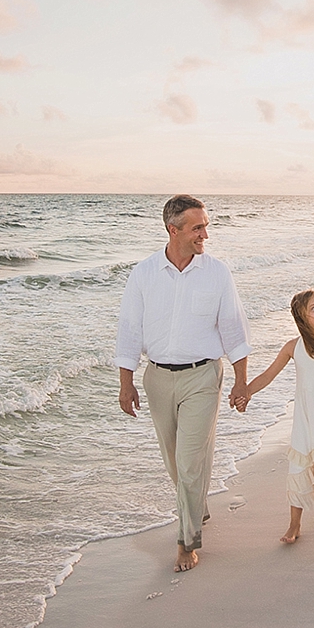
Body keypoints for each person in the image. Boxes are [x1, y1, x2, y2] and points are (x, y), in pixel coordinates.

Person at [115, 195, 250, 572]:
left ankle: (187, 541)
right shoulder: (143, 274)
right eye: (197, 227)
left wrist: (241, 381)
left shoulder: (217, 273)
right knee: (176, 463)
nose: (205, 234)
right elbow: (128, 331)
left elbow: (234, 329)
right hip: (157, 379)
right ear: (173, 230)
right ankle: (196, 507)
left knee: (190, 463)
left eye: (205, 226)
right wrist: (126, 384)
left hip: (203, 376)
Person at [232, 289, 314, 544]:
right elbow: (268, 375)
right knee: (302, 463)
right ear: (302, 317)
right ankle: (294, 524)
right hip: (307, 415)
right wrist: (246, 392)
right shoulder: (293, 347)